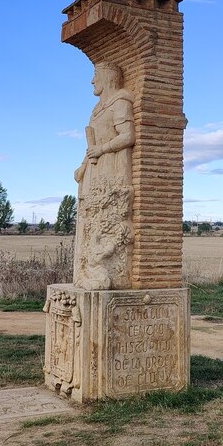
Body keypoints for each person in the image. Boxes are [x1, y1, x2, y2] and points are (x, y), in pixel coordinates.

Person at [74, 62, 135, 289]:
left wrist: (102, 149)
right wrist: (83, 166)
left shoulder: (120, 103)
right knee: (91, 218)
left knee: (107, 216)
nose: (92, 81)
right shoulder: (97, 109)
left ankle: (107, 273)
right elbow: (92, 145)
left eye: (96, 75)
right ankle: (86, 269)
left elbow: (128, 136)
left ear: (108, 77)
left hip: (111, 167)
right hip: (95, 168)